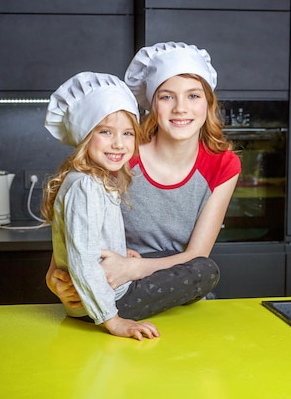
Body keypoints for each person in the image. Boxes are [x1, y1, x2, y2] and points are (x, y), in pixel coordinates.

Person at [46, 42, 241, 318]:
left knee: (203, 268)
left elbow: (197, 256)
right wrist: (54, 279)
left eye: (193, 96)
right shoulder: (121, 155)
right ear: (152, 104)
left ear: (209, 103)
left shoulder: (223, 165)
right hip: (114, 288)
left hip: (178, 292)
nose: (181, 108)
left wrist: (133, 267)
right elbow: (75, 231)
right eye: (167, 97)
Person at [42, 71, 158, 341]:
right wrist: (113, 320)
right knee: (202, 270)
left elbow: (89, 241)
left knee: (158, 257)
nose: (118, 143)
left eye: (127, 133)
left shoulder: (93, 179)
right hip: (104, 304)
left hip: (94, 299)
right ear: (84, 136)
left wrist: (120, 252)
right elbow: (82, 258)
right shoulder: (86, 186)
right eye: (105, 131)